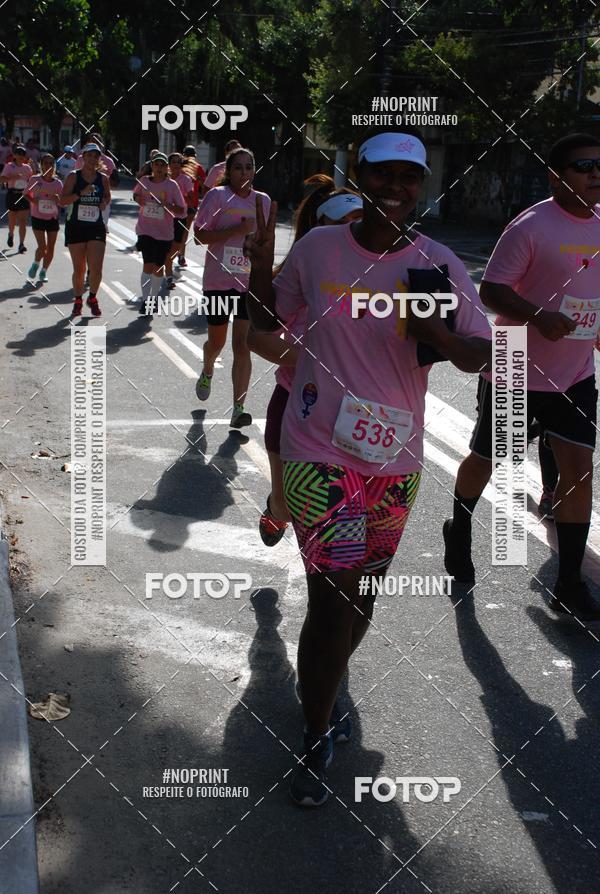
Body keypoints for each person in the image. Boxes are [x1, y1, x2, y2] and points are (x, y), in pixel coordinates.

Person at [245, 128, 492, 807]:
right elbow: (267, 329)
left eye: (409, 178)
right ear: (359, 177)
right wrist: (261, 268)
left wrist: (435, 332)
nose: (397, 188)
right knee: (332, 599)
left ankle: (329, 684)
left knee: (362, 596)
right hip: (317, 449)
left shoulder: (439, 262)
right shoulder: (322, 248)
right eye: (383, 175)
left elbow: (479, 353)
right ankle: (316, 733)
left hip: (395, 460)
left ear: (421, 185)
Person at [443, 132, 600, 621]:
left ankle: (569, 583)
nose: (595, 173)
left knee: (579, 474)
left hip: (575, 372)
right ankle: (459, 526)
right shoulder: (531, 225)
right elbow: (491, 289)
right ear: (555, 175)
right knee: (487, 459)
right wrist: (537, 316)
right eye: (583, 165)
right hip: (515, 364)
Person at [247, 174, 363, 547]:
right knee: (286, 505)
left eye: (358, 222)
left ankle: (333, 588)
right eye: (340, 224)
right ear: (319, 231)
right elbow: (259, 338)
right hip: (296, 402)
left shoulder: (386, 276)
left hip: (354, 414)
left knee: (340, 518)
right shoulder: (300, 275)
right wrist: (317, 362)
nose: (351, 231)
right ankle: (278, 508)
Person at [194, 146, 271, 428]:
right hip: (217, 281)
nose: (244, 172)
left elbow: (267, 241)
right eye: (238, 167)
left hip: (247, 283)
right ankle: (207, 367)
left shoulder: (262, 201)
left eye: (249, 167)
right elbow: (199, 235)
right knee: (217, 341)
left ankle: (239, 408)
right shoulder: (218, 196)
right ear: (229, 171)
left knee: (242, 344)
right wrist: (235, 232)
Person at [60, 142, 111, 318]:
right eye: (89, 155)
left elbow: (107, 196)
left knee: (96, 267)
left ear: (98, 159)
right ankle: (78, 300)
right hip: (76, 226)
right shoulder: (74, 177)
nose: (92, 159)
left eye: (96, 156)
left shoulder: (103, 178)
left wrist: (104, 201)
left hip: (96, 226)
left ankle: (93, 297)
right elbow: (62, 201)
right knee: (79, 268)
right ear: (83, 158)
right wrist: (80, 193)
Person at [132, 152, 185, 316]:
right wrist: (138, 199)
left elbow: (181, 209)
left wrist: (167, 205)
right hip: (145, 230)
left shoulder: (172, 186)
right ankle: (146, 300)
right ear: (152, 166)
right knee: (147, 265)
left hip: (164, 234)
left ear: (166, 168)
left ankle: (153, 299)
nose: (159, 168)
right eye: (157, 164)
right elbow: (135, 194)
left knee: (158, 267)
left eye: (163, 165)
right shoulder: (145, 181)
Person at [25, 153, 62, 283]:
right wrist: (33, 200)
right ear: (41, 165)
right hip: (37, 217)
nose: (48, 166)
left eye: (51, 163)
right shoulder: (35, 180)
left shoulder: (58, 183)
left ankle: (44, 271)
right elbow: (25, 194)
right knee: (43, 247)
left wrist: (58, 199)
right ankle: (35, 264)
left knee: (51, 248)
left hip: (52, 218)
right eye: (46, 163)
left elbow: (63, 202)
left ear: (54, 166)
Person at [165, 152, 194, 288]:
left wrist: (179, 198)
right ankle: (169, 276)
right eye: (173, 162)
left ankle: (166, 267)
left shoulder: (186, 180)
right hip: (165, 218)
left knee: (176, 248)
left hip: (180, 217)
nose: (175, 164)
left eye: (178, 162)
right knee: (165, 248)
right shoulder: (164, 179)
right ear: (169, 165)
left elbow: (191, 198)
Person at [1, 145, 33, 253]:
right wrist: (13, 177)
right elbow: (2, 179)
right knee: (12, 219)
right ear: (14, 155)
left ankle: (21, 244)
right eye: (18, 154)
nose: (20, 156)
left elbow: (31, 181)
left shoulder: (27, 168)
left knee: (23, 221)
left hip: (23, 195)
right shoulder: (9, 166)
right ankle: (11, 234)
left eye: (22, 155)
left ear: (25, 157)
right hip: (12, 194)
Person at [178, 145, 206, 267]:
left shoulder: (177, 166)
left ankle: (175, 254)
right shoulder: (197, 167)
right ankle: (181, 255)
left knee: (174, 229)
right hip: (190, 203)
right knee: (185, 230)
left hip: (178, 202)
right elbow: (202, 184)